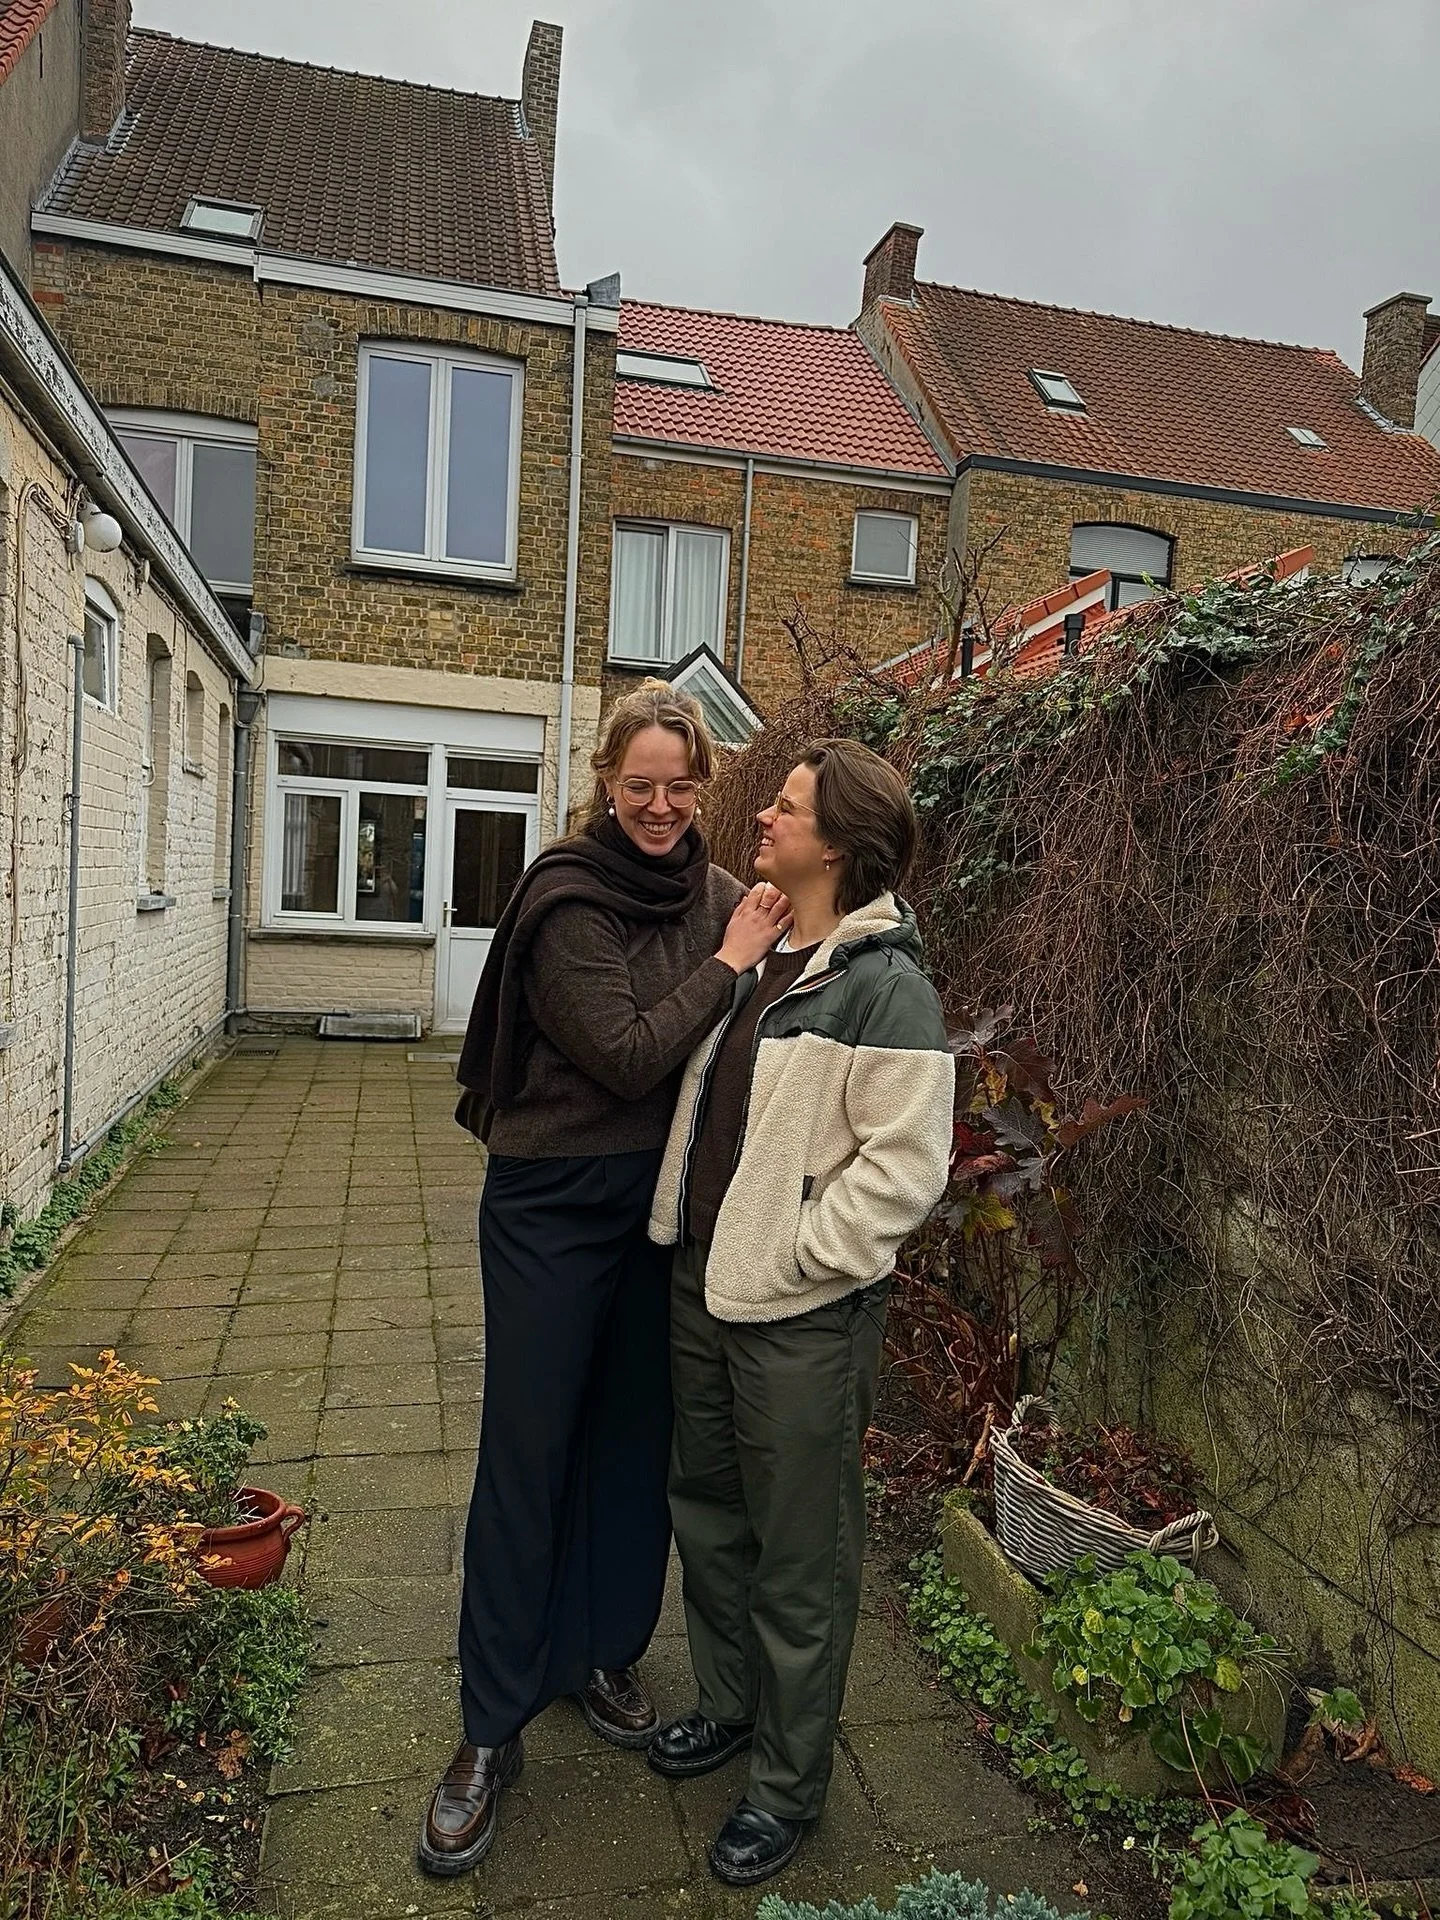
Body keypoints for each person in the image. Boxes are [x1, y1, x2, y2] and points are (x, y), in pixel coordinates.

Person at [419, 680, 791, 1878]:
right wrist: (733, 966)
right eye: (641, 786)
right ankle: (489, 1729)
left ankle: (600, 1653)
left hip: (658, 1209)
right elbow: (630, 1054)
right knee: (528, 1450)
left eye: (684, 787)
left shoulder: (723, 894)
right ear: (604, 780)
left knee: (636, 1442)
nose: (664, 808)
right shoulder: (567, 895)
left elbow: (815, 950)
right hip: (551, 1200)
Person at [646, 737, 955, 1888]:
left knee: (801, 1558)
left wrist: (802, 1257)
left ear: (840, 843)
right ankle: (729, 1709)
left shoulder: (885, 984)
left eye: (785, 808)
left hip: (800, 1317)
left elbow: (906, 1168)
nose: (761, 817)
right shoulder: (772, 947)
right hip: (704, 1288)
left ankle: (787, 1783)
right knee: (710, 1516)